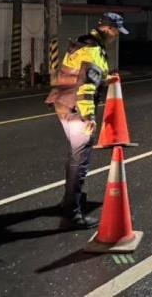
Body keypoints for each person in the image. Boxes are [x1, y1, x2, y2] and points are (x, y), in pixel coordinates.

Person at [45, 12, 129, 228]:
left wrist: (104, 79)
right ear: (108, 29)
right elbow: (84, 87)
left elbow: (82, 75)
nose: (117, 36)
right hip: (76, 107)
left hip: (63, 102)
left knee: (75, 155)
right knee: (80, 159)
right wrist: (89, 117)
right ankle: (72, 215)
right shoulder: (93, 51)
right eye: (116, 32)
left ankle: (69, 200)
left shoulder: (82, 42)